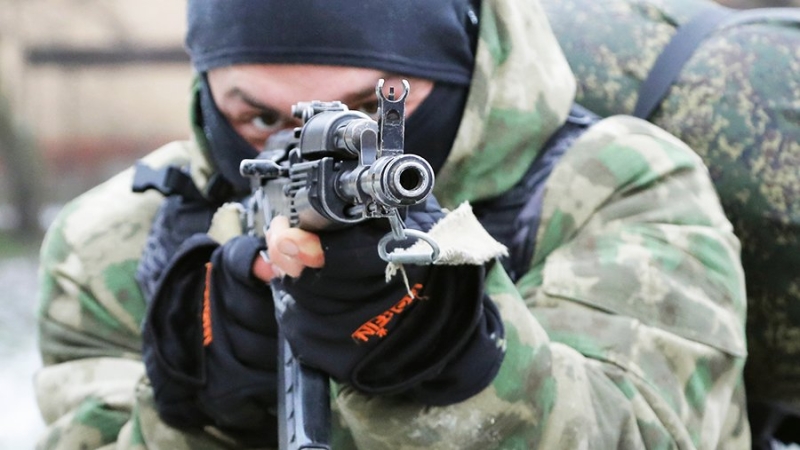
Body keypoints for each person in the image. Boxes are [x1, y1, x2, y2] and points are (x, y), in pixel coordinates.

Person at [33, 0, 750, 448]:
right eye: (257, 117)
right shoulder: (116, 239)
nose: (307, 147)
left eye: (368, 114)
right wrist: (198, 401)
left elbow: (650, 433)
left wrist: (451, 365)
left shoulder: (618, 184)